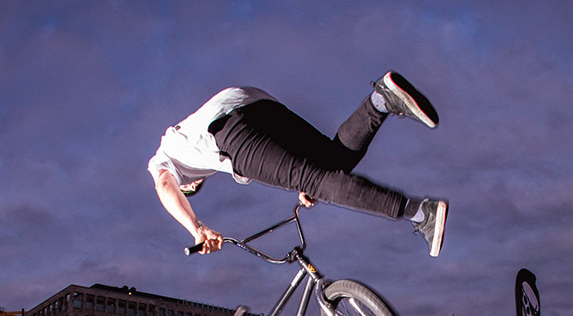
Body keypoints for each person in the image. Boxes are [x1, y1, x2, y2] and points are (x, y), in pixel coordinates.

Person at [148, 72, 449, 257]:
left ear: (185, 186)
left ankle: (421, 213)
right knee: (333, 160)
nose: (193, 185)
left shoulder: (165, 157)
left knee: (317, 180)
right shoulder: (190, 141)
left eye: (188, 188)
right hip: (256, 101)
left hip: (229, 127)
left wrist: (197, 228)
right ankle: (382, 99)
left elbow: (164, 185)